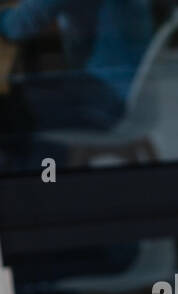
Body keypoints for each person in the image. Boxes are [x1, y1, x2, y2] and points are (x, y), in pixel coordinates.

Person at [0, 0, 151, 168]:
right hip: (122, 87)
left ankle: (39, 179)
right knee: (19, 97)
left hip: (106, 100)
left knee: (11, 106)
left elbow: (18, 26)